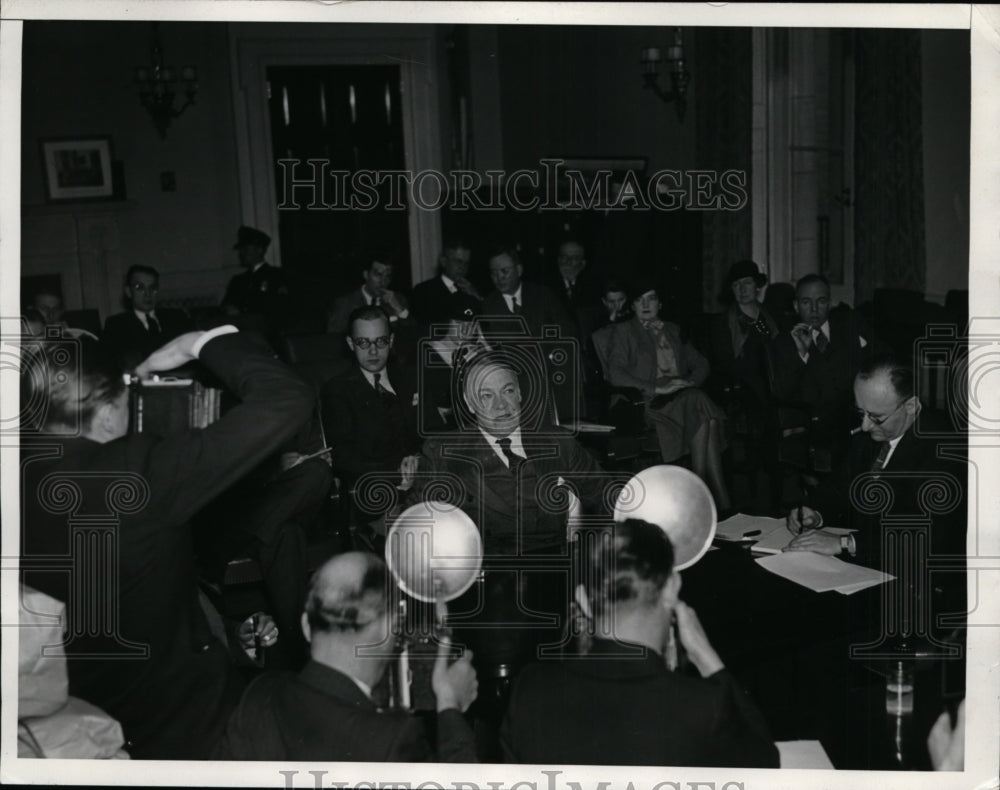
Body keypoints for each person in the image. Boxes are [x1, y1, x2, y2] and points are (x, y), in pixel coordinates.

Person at [20, 327, 314, 758]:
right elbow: (288, 398)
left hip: (90, 723)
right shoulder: (138, 474)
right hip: (189, 725)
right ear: (105, 415)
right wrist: (198, 342)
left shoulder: (21, 476)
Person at [398, 352, 610, 758]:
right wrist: (410, 489)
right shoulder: (445, 450)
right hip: (485, 591)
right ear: (469, 402)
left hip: (556, 579)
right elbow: (412, 525)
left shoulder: (557, 441)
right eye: (487, 395)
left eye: (509, 390)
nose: (502, 405)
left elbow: (607, 492)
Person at [500, 518, 779, 767]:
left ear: (583, 600)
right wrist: (706, 656)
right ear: (671, 588)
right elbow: (766, 761)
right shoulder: (704, 706)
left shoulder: (530, 690)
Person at [213, 552, 479, 762]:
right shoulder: (393, 740)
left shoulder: (259, 694)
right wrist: (449, 706)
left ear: (306, 626)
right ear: (389, 630)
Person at [784, 354, 966, 644]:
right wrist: (815, 510)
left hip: (919, 586)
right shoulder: (873, 434)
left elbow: (925, 537)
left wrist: (845, 543)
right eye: (861, 413)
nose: (865, 427)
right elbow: (842, 486)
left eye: (876, 417)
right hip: (871, 567)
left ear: (911, 406)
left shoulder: (945, 450)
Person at [602, 282, 731, 511]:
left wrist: (689, 382)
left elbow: (701, 363)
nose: (645, 304)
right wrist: (656, 388)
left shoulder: (671, 329)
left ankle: (703, 499)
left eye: (651, 299)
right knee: (702, 409)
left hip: (682, 398)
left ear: (659, 304)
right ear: (632, 305)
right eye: (639, 300)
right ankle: (716, 500)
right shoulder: (624, 331)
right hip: (647, 404)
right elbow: (615, 373)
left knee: (702, 410)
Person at [320, 306, 422, 537]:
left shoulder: (411, 378)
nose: (374, 351)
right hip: (378, 492)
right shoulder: (337, 390)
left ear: (392, 340)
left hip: (427, 479)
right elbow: (343, 457)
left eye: (381, 341)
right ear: (350, 344)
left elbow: (433, 432)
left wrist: (417, 460)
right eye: (364, 343)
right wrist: (398, 473)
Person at [768, 273, 872, 474]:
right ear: (796, 306)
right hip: (818, 419)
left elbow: (879, 357)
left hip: (858, 409)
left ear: (830, 303)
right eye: (806, 302)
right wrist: (802, 354)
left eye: (821, 301)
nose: (814, 309)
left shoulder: (849, 327)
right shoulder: (784, 340)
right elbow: (783, 392)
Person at [102, 264, 193, 371]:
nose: (147, 294)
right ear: (128, 292)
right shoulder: (116, 325)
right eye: (139, 288)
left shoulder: (177, 318)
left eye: (152, 288)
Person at [221, 225, 290, 338]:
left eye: (246, 249)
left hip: (264, 334)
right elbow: (226, 305)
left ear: (259, 250)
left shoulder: (275, 276)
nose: (241, 254)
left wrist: (243, 315)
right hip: (239, 333)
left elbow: (276, 310)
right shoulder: (238, 281)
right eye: (241, 250)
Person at [326, 254, 412, 336]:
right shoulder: (345, 303)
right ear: (366, 274)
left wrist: (400, 310)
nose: (383, 281)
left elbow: (414, 334)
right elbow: (333, 340)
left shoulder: (398, 300)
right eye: (378, 275)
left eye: (388, 276)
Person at [411, 237, 482, 325]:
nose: (462, 267)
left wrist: (477, 297)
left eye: (466, 263)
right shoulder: (424, 290)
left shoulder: (471, 291)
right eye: (458, 261)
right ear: (443, 261)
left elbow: (485, 323)